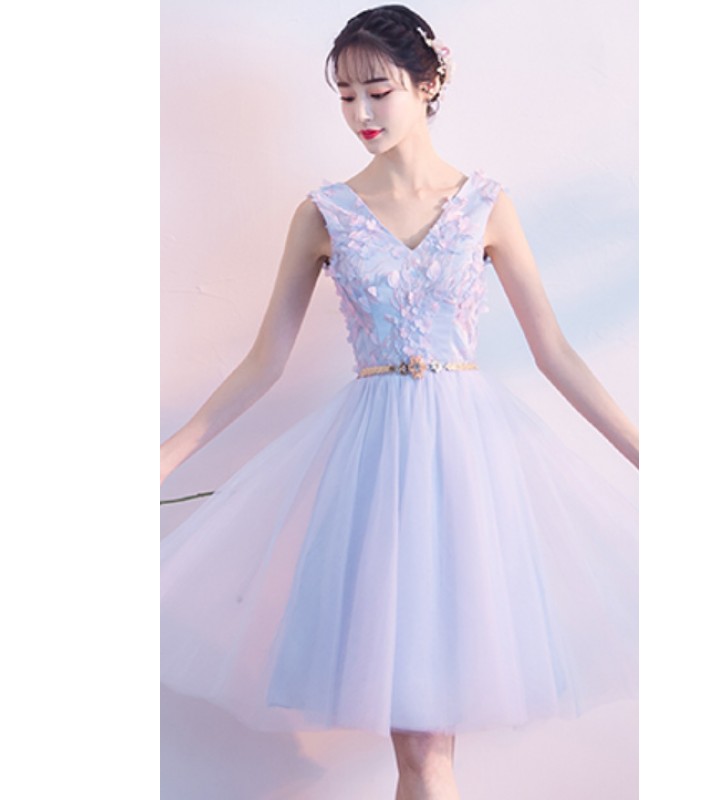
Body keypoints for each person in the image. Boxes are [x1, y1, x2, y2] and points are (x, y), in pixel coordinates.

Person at [160, 5, 638, 799]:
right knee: (419, 746)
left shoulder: (486, 204)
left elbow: (554, 351)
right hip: (377, 478)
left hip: (468, 474)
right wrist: (164, 458)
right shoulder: (324, 214)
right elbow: (264, 362)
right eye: (345, 96)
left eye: (377, 91)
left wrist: (642, 450)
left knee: (431, 746)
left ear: (429, 82)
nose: (360, 113)